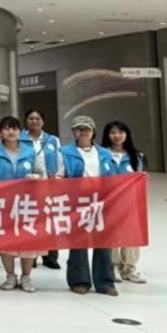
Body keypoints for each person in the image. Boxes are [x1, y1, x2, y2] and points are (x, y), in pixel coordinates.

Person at [56, 115, 119, 297]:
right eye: (79, 128)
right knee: (79, 242)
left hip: (101, 201)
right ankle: (79, 280)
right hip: (77, 201)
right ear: (73, 131)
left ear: (94, 132)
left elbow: (115, 177)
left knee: (103, 242)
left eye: (87, 129)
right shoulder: (64, 152)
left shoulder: (105, 154)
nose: (83, 132)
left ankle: (105, 282)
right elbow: (59, 176)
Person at [0, 116, 44, 293]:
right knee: (6, 241)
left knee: (28, 240)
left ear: (20, 131)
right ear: (0, 132)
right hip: (4, 203)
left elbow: (41, 173)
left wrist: (36, 177)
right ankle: (10, 276)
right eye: (7, 128)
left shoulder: (29, 151)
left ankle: (26, 277)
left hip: (27, 202)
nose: (11, 132)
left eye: (14, 128)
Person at [102, 120, 147, 284]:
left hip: (130, 203)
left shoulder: (137, 156)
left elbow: (140, 177)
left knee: (131, 234)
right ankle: (113, 266)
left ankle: (130, 268)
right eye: (113, 132)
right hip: (109, 202)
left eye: (120, 132)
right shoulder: (101, 154)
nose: (117, 136)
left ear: (127, 135)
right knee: (112, 234)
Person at [23, 108, 63, 270]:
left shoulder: (52, 140)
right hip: (28, 186)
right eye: (31, 118)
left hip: (49, 185)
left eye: (37, 118)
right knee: (31, 219)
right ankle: (30, 256)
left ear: (43, 121)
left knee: (50, 220)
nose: (34, 121)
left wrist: (58, 178)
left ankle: (50, 256)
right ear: (26, 121)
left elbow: (60, 161)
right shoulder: (20, 139)